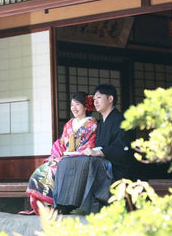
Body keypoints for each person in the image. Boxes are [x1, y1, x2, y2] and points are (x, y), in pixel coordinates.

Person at [53, 83, 131, 215]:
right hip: (102, 161)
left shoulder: (120, 119)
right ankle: (63, 203)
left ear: (110, 99)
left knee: (86, 162)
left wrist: (98, 152)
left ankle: (76, 204)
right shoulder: (101, 123)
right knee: (66, 162)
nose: (95, 102)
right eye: (94, 99)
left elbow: (122, 148)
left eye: (99, 98)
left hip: (116, 165)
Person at [22, 92, 97, 215]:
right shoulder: (69, 124)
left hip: (78, 159)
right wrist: (58, 156)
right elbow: (61, 142)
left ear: (86, 106)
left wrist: (70, 155)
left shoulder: (92, 125)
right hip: (63, 157)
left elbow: (89, 144)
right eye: (72, 105)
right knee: (44, 169)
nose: (74, 108)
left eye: (77, 104)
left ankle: (58, 205)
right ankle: (46, 206)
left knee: (56, 170)